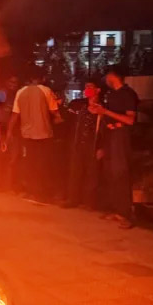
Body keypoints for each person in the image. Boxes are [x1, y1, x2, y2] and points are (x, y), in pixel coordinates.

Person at [4, 66, 63, 203]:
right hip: (44, 134)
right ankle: (42, 194)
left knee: (30, 163)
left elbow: (14, 115)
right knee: (43, 164)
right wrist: (59, 117)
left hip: (27, 135)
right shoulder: (46, 91)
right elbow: (55, 111)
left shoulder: (21, 92)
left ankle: (32, 192)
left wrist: (9, 132)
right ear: (41, 78)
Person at [91, 67, 139, 229]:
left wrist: (106, 112)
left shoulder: (128, 94)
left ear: (114, 76)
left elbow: (130, 120)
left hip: (121, 137)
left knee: (121, 174)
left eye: (107, 75)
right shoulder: (111, 95)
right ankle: (115, 210)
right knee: (110, 173)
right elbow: (106, 115)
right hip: (110, 136)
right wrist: (99, 110)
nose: (105, 79)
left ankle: (126, 214)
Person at [64, 79, 102, 209]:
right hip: (78, 143)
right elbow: (69, 121)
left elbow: (104, 129)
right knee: (75, 172)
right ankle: (72, 199)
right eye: (86, 87)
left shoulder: (103, 108)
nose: (87, 89)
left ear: (98, 90)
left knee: (92, 174)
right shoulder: (79, 105)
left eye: (90, 86)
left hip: (93, 144)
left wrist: (101, 146)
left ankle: (90, 202)